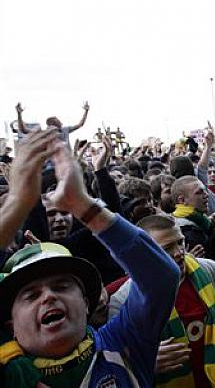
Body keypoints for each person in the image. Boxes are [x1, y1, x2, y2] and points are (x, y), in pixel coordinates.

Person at [0, 132, 179, 387]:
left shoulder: (122, 344)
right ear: (11, 325)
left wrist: (82, 204)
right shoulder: (11, 374)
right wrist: (18, 202)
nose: (48, 297)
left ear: (86, 303)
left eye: (62, 286)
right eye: (31, 295)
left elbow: (161, 278)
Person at [108, 214, 215, 387]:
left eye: (180, 242)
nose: (179, 253)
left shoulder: (213, 272)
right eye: (167, 248)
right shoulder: (122, 301)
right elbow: (117, 364)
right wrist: (145, 363)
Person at [15, 101, 90, 146]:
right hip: (52, 163)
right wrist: (19, 114)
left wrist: (86, 111)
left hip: (66, 162)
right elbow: (23, 130)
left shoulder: (65, 130)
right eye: (57, 120)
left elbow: (80, 124)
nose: (61, 122)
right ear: (51, 123)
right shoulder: (44, 133)